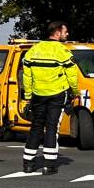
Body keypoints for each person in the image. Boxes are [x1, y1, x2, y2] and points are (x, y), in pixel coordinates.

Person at [21, 21, 78, 175]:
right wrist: (75, 92)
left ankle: (28, 163)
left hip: (38, 94)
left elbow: (27, 76)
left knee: (36, 127)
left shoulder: (34, 49)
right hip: (57, 94)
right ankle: (49, 164)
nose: (67, 34)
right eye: (65, 32)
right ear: (57, 33)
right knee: (52, 127)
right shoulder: (62, 51)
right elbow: (72, 75)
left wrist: (28, 96)